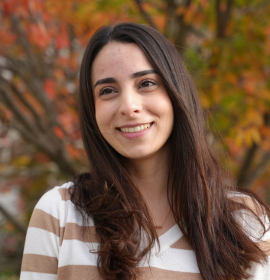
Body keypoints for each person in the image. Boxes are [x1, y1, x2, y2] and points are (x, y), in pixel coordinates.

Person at [20, 22, 270, 280]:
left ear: (176, 93)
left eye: (146, 83)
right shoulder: (59, 215)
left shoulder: (243, 223)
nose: (129, 106)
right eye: (107, 91)